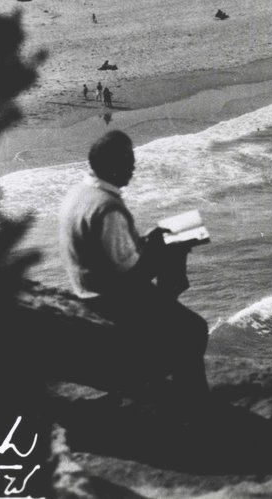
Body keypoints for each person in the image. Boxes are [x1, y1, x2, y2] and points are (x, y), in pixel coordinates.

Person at [58, 131, 209, 401]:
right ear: (112, 166)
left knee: (165, 245)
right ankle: (193, 402)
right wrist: (165, 252)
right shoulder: (108, 209)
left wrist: (146, 242)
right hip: (108, 298)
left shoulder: (81, 192)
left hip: (86, 286)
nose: (134, 166)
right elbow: (130, 274)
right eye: (128, 160)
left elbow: (107, 250)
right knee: (193, 330)